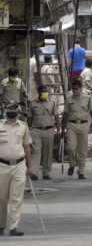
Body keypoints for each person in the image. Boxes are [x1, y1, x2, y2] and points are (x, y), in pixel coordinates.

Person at [0, 100, 32, 236]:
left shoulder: (23, 127)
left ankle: (14, 226)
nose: (12, 110)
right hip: (2, 165)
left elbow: (26, 147)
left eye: (14, 108)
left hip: (19, 165)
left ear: (18, 110)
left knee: (16, 197)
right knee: (1, 198)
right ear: (5, 109)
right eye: (9, 108)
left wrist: (30, 166)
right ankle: (1, 225)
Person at [61, 79, 92, 179]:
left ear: (81, 89)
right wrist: (62, 129)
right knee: (71, 147)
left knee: (83, 149)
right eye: (73, 89)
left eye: (76, 89)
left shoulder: (88, 98)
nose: (74, 91)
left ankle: (81, 171)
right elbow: (65, 115)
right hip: (72, 125)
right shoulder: (69, 99)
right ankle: (72, 164)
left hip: (84, 125)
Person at [27, 86, 60, 180]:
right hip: (36, 130)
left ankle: (46, 172)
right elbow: (30, 118)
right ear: (39, 92)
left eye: (47, 92)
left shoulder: (52, 103)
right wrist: (28, 130)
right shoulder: (33, 104)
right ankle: (34, 172)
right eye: (43, 92)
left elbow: (56, 117)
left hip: (49, 130)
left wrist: (58, 130)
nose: (46, 93)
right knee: (35, 151)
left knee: (48, 152)